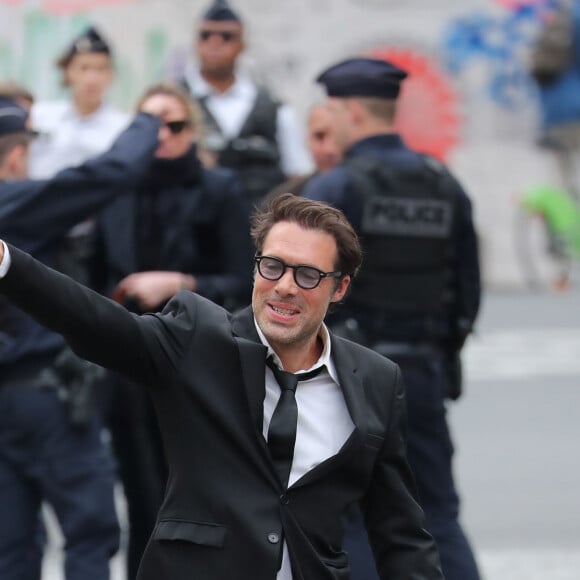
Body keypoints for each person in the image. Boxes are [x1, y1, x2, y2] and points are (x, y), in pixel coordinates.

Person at [0, 193, 444, 580]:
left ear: (340, 287)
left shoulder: (377, 380)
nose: (284, 287)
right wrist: (7, 264)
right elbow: (94, 320)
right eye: (272, 267)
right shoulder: (197, 339)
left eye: (307, 275)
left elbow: (400, 532)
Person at [303, 57, 482, 580]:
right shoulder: (442, 183)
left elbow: (306, 288)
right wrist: (440, 356)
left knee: (353, 519)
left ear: (352, 112)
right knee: (437, 517)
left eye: (331, 110)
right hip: (420, 372)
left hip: (350, 377)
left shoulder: (335, 190)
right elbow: (466, 290)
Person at [90, 81, 253, 580]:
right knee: (142, 501)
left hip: (198, 367)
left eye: (175, 124)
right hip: (127, 367)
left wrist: (181, 283)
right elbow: (91, 279)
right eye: (149, 124)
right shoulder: (115, 192)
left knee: (201, 507)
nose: (162, 135)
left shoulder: (219, 188)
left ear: (192, 131)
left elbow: (247, 280)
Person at [0, 97, 160, 580]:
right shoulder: (16, 201)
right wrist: (149, 122)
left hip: (8, 406)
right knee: (89, 535)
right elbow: (107, 174)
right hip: (48, 401)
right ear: (14, 156)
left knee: (11, 546)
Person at [178, 0, 311, 205]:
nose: (215, 43)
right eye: (205, 35)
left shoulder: (273, 108)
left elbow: (297, 176)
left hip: (260, 225)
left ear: (243, 44)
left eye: (226, 36)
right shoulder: (176, 103)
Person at [29, 25, 129, 179]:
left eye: (100, 69)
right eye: (84, 68)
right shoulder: (40, 117)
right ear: (68, 71)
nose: (92, 79)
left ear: (111, 74)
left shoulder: (123, 128)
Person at [532, 0, 580, 204]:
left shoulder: (564, 17)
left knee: (564, 183)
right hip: (569, 108)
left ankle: (570, 230)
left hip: (563, 110)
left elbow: (542, 66)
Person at [267, 101, 342, 198]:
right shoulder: (282, 202)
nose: (329, 149)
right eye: (319, 136)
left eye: (338, 136)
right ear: (307, 139)